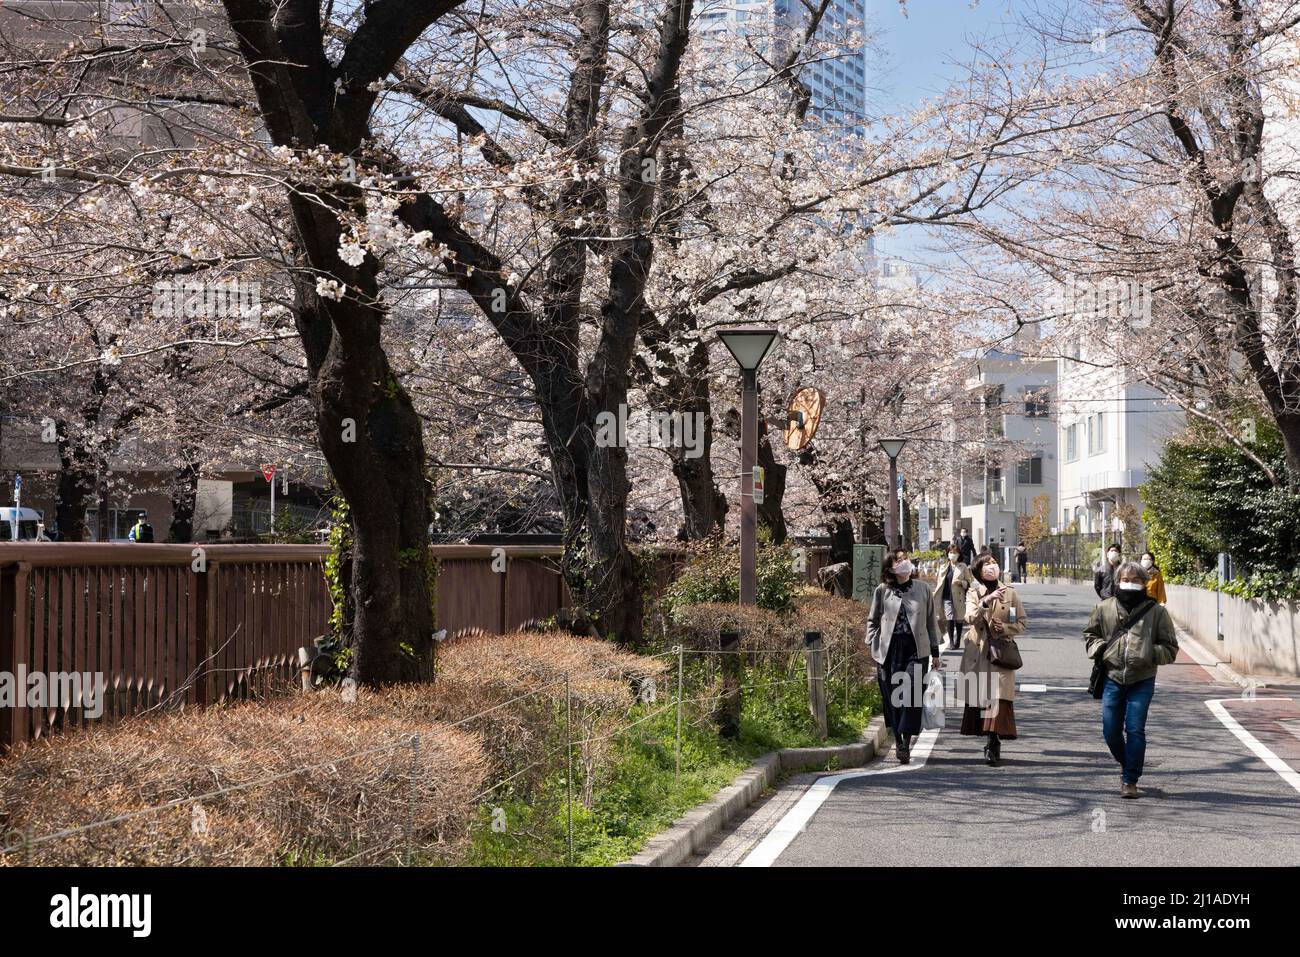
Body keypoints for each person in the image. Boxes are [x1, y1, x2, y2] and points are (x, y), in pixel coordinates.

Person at [1084, 560, 1179, 798]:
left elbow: (1170, 648)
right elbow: (1090, 635)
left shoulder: (1156, 612)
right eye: (1125, 580)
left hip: (1142, 678)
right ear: (1117, 582)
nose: (1130, 584)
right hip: (1112, 677)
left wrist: (1149, 652)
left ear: (1144, 583)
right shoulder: (1103, 608)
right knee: (1110, 731)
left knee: (1135, 729)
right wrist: (1099, 648)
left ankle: (1130, 780)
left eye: (1136, 580)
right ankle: (1129, 764)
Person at [867, 551, 942, 764]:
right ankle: (898, 738)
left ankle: (905, 743)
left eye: (905, 558)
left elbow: (930, 622)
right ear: (891, 568)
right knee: (892, 696)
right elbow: (872, 620)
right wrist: (873, 643)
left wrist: (935, 652)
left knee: (910, 695)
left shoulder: (923, 589)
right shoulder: (882, 591)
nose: (904, 563)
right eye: (898, 560)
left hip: (916, 649)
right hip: (889, 650)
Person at [961, 553, 1028, 766]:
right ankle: (989, 739)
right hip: (979, 652)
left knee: (998, 698)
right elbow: (969, 617)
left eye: (994, 563)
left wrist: (1005, 627)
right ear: (978, 570)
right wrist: (985, 602)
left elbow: (1020, 622)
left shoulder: (1010, 593)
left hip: (1000, 653)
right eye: (987, 564)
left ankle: (993, 741)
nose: (992, 567)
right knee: (981, 697)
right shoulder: (973, 592)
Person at [933, 544, 972, 651]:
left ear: (958, 554)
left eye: (954, 553)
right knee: (949, 618)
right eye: (950, 552)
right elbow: (939, 582)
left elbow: (969, 582)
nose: (952, 555)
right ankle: (951, 642)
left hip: (959, 597)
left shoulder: (963, 566)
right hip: (946, 596)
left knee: (959, 619)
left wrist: (961, 582)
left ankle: (958, 640)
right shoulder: (943, 567)